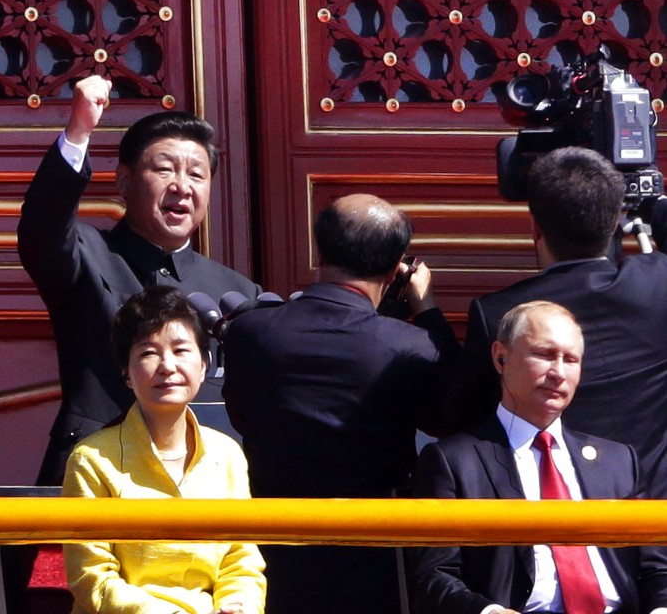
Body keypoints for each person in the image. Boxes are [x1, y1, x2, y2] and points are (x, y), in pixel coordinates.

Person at [221, 193, 460, 614]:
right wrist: (427, 309)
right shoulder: (413, 346)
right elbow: (451, 415)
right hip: (375, 555)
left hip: (269, 550)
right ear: (395, 267)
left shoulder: (251, 332)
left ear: (319, 249)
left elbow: (240, 416)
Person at [18, 75, 260, 484]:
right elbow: (42, 228)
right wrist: (78, 131)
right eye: (164, 170)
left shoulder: (237, 291)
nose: (182, 186)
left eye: (197, 175)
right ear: (124, 181)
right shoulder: (89, 255)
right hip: (96, 472)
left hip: (205, 480)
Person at [410, 300, 667, 614]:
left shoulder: (618, 461)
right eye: (545, 354)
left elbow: (658, 568)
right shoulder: (453, 462)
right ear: (500, 357)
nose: (558, 372)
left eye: (571, 359)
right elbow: (433, 576)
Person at [459, 146, 667, 498]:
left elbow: (462, 416)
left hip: (555, 512)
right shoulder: (658, 281)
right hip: (654, 515)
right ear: (617, 220)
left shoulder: (499, 313)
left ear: (535, 227)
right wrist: (657, 209)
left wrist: (430, 313)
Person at [62, 286, 266, 614]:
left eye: (180, 350)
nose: (166, 366)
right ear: (126, 372)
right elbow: (92, 576)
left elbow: (241, 563)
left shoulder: (227, 455)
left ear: (204, 364)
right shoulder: (91, 460)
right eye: (148, 353)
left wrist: (237, 606)